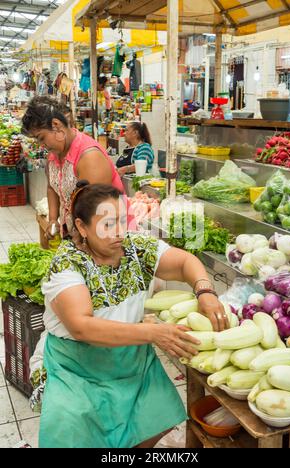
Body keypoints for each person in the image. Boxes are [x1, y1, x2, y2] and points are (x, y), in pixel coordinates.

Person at [33, 181, 228, 448]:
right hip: (78, 370)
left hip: (130, 362)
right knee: (79, 435)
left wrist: (204, 290)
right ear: (81, 227)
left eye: (123, 221)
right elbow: (81, 327)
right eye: (107, 224)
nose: (119, 232)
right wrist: (151, 332)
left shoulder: (137, 248)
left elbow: (184, 262)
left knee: (151, 421)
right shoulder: (68, 262)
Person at [21, 96, 135, 239]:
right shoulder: (54, 154)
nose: (40, 144)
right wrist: (53, 220)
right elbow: (52, 187)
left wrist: (77, 244)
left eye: (41, 138)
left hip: (107, 236)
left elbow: (95, 209)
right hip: (79, 233)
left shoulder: (89, 157)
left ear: (56, 125)